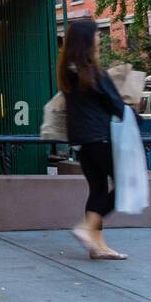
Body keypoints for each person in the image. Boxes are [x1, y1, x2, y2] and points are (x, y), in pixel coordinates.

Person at [60, 17, 129, 260]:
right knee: (124, 186)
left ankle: (97, 246)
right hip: (99, 137)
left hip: (81, 139)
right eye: (97, 34)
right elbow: (115, 104)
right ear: (88, 39)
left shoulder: (70, 70)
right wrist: (137, 119)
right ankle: (87, 228)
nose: (100, 38)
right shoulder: (93, 71)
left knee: (98, 188)